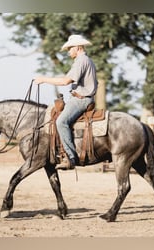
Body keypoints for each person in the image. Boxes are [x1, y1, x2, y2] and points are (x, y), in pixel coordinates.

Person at [34, 34, 98, 170]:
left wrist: (44, 79)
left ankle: (70, 157)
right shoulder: (85, 60)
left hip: (81, 100)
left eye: (70, 48)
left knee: (61, 122)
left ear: (78, 47)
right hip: (79, 98)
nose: (68, 51)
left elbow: (65, 81)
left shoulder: (81, 61)